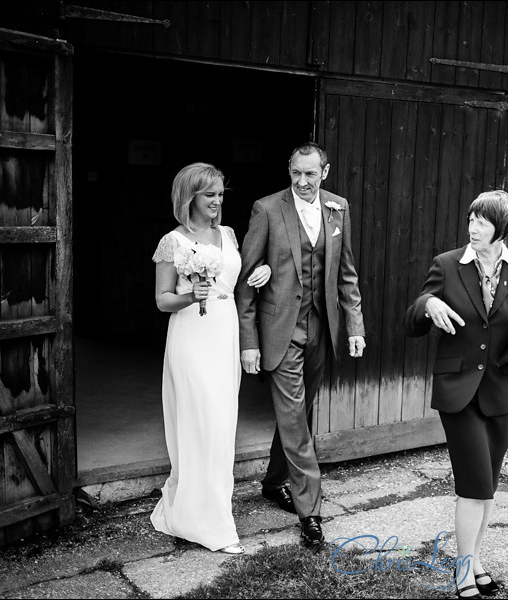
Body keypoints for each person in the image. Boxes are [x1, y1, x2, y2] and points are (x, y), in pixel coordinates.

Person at [403, 191, 508, 599]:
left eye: (482, 222)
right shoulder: (447, 265)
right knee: (474, 486)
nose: (472, 228)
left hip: (501, 392)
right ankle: (463, 572)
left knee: (489, 488)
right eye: (471, 219)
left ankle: (476, 560)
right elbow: (411, 322)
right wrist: (428, 304)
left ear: (503, 228)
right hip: (458, 391)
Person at [235, 142, 366, 550]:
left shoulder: (338, 207)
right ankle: (311, 513)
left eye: (311, 174)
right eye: (296, 173)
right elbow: (246, 278)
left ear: (324, 172)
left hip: (321, 330)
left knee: (301, 413)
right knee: (294, 418)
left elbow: (346, 274)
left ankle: (274, 482)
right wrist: (248, 342)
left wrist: (354, 327)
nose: (303, 181)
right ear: (288, 170)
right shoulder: (267, 209)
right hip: (281, 333)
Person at [150, 163, 271, 554]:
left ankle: (206, 510)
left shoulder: (229, 234)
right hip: (190, 338)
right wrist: (192, 296)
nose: (218, 202)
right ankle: (209, 524)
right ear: (190, 198)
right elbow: (162, 300)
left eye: (221, 194)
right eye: (210, 195)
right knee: (199, 423)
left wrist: (263, 270)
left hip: (224, 332)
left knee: (222, 427)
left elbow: (242, 276)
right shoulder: (173, 241)